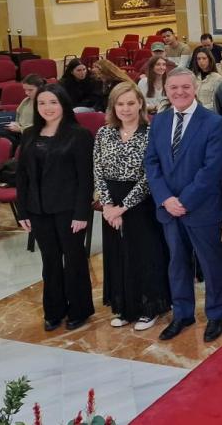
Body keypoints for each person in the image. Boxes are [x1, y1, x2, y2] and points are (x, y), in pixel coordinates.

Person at [146, 68, 222, 343]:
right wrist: (166, 199)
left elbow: (211, 169)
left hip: (201, 208)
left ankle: (216, 314)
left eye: (185, 87)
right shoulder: (158, 121)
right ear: (166, 90)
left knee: (211, 262)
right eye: (173, 88)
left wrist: (184, 200)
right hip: (169, 209)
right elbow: (152, 162)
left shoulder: (213, 122)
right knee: (177, 263)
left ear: (195, 89)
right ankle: (182, 313)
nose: (179, 92)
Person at [16, 84, 95, 332]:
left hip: (69, 210)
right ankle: (54, 310)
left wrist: (82, 213)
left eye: (52, 102)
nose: (47, 108)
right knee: (49, 261)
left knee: (74, 260)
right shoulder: (29, 134)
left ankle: (79, 309)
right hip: (38, 209)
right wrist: (23, 211)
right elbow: (22, 176)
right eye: (41, 103)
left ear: (63, 104)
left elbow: (86, 178)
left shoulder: (79, 134)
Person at [96, 82, 171, 331]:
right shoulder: (103, 133)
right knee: (119, 255)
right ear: (113, 107)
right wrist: (107, 205)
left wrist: (123, 207)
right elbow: (97, 170)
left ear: (140, 104)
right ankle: (125, 307)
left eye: (130, 103)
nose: (125, 109)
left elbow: (151, 175)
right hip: (111, 203)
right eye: (120, 104)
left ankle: (149, 308)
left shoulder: (151, 132)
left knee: (145, 255)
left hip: (141, 203)